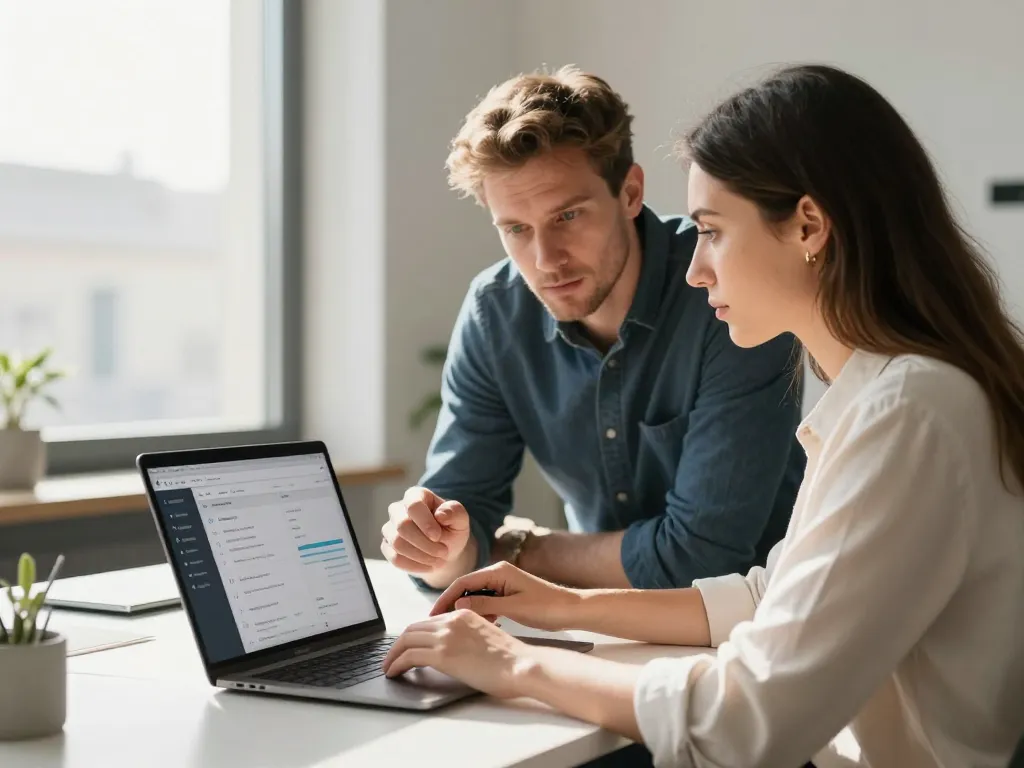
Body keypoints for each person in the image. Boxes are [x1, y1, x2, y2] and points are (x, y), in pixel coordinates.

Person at [380, 64, 1024, 767]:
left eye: (712, 232)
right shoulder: (889, 396)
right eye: (514, 228)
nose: (695, 267)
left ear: (808, 225)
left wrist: (515, 663)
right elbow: (768, 595)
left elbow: (748, 725)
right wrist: (558, 604)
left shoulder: (910, 413)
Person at [380, 66, 805, 591]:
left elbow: (702, 558)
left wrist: (517, 549)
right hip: (596, 621)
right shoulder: (496, 314)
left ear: (629, 193)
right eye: (515, 229)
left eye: (567, 217)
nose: (545, 260)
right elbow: (460, 530)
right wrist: (437, 549)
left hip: (753, 625)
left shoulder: (725, 297)